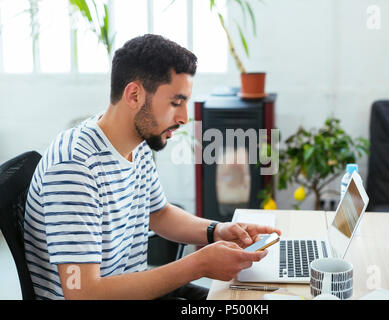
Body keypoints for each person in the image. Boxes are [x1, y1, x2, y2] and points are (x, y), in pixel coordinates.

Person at [23, 34, 281, 300]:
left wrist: (216, 231)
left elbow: (158, 214)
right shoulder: (75, 167)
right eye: (175, 102)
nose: (184, 118)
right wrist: (198, 264)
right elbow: (83, 293)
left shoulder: (137, 143)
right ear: (134, 95)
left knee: (254, 299)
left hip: (134, 291)